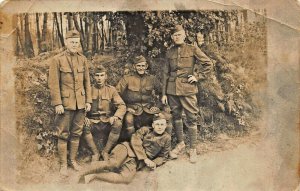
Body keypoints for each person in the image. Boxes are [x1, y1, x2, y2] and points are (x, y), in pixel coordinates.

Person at [161, 25, 213, 163]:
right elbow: (165, 73)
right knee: (176, 116)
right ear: (172, 37)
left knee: (191, 118)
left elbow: (208, 63)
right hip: (172, 90)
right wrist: (164, 93)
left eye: (179, 34)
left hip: (188, 89)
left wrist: (198, 76)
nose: (177, 37)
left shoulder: (192, 48)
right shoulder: (169, 52)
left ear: (184, 35)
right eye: (174, 35)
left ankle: (193, 148)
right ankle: (180, 143)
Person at [76, 112, 171, 184]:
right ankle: (82, 172)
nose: (160, 127)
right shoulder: (145, 130)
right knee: (113, 164)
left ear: (166, 126)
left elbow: (164, 156)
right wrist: (145, 158)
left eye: (162, 124)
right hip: (126, 149)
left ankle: (95, 176)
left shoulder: (167, 138)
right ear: (153, 125)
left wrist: (154, 162)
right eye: (157, 124)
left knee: (127, 178)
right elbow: (135, 139)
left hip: (136, 161)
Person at [48, 30, 92, 176]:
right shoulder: (57, 60)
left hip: (80, 103)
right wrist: (57, 103)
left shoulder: (83, 59)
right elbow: (53, 84)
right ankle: (63, 164)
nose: (74, 44)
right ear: (66, 42)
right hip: (65, 104)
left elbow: (87, 82)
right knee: (63, 134)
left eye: (76, 42)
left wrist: (88, 101)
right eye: (72, 42)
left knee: (76, 133)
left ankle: (73, 161)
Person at [83, 65, 126, 161]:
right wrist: (83, 117)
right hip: (93, 121)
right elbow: (81, 106)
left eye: (102, 75)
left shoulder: (111, 90)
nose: (99, 78)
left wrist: (115, 116)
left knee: (118, 123)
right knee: (83, 124)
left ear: (106, 76)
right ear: (93, 77)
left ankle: (106, 151)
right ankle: (95, 153)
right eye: (97, 75)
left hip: (107, 121)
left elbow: (122, 106)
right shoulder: (88, 90)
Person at [116, 55, 163, 138]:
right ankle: (133, 143)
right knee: (129, 119)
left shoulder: (152, 79)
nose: (141, 68)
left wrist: (157, 106)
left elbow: (162, 93)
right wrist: (126, 107)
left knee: (162, 117)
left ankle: (159, 142)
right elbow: (116, 95)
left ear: (146, 66)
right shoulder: (127, 79)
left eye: (143, 66)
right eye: (138, 66)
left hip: (148, 109)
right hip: (132, 109)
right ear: (134, 66)